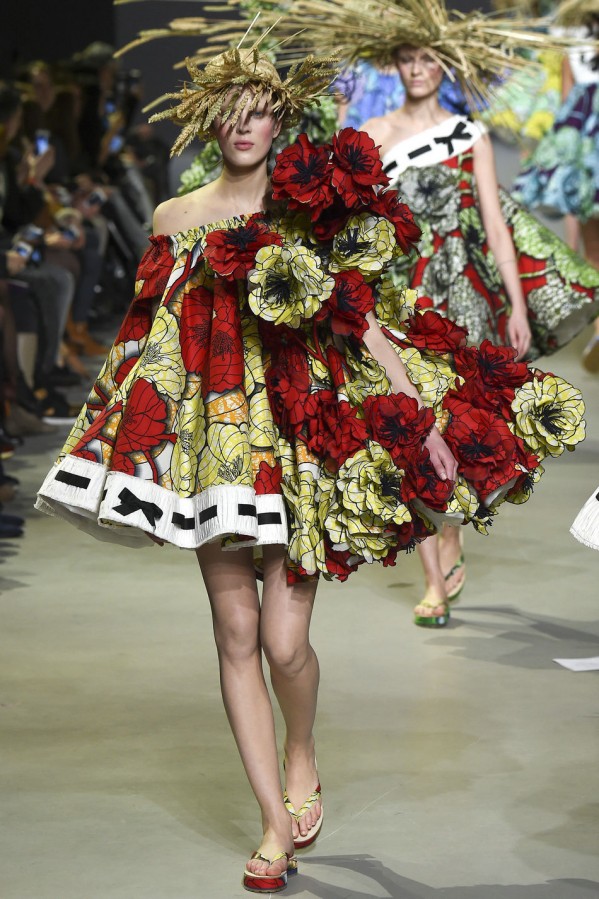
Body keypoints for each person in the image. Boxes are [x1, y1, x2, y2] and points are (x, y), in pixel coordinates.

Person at [36, 43, 586, 893]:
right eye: (230, 110)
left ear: (279, 120)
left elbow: (357, 320)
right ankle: (270, 824)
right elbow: (145, 343)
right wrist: (116, 438)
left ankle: (301, 746)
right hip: (216, 445)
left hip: (302, 436)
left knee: (285, 643)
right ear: (209, 119)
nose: (243, 124)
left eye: (258, 110)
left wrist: (418, 418)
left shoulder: (309, 213)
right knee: (236, 634)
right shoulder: (174, 218)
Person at [513, 8, 599, 371]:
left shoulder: (570, 25)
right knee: (592, 246)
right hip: (582, 133)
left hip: (579, 132)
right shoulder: (570, 25)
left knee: (592, 247)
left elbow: (567, 93)